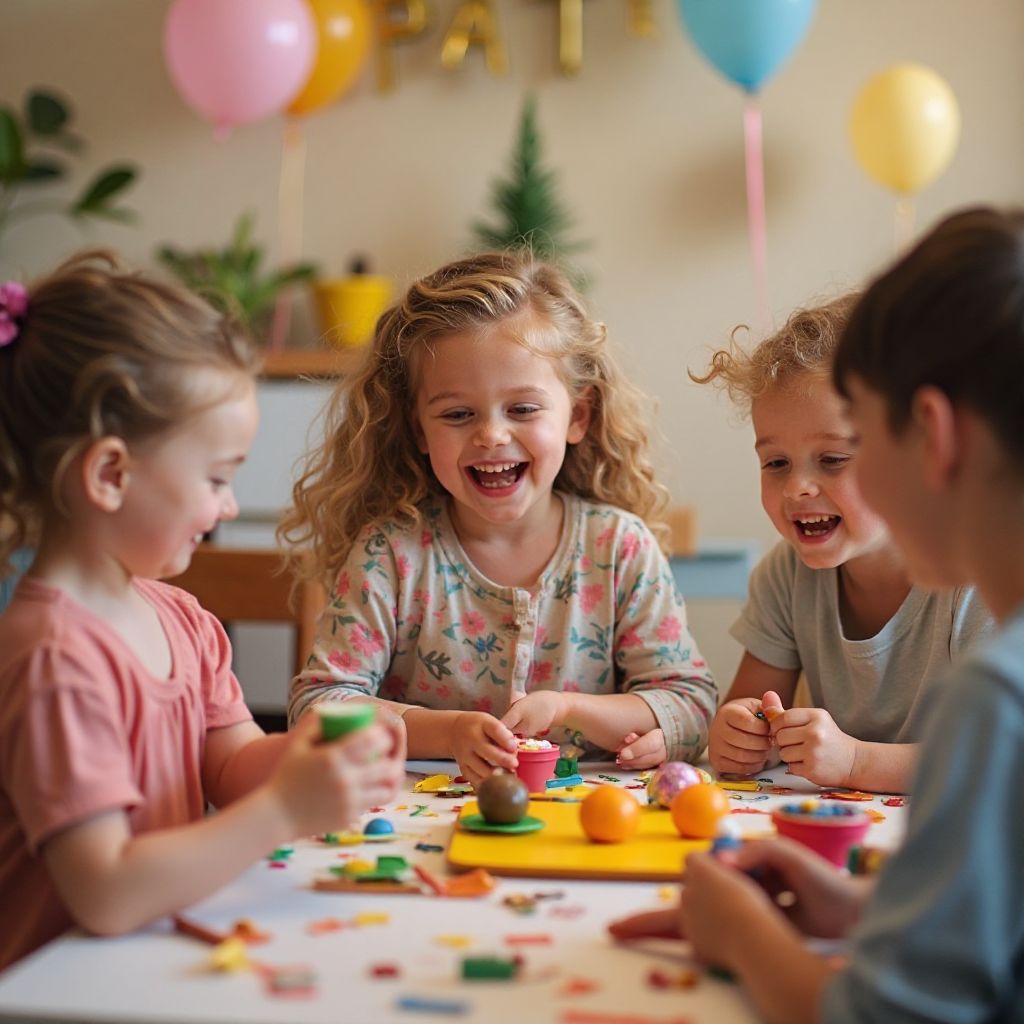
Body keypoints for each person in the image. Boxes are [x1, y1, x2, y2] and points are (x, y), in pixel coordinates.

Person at [611, 205, 1024, 1022]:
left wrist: (736, 931)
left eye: (854, 444)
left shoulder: (995, 701)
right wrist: (862, 910)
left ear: (931, 434)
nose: (807, 484)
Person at [0, 253, 405, 973]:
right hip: (60, 989)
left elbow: (236, 764)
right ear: (110, 474)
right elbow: (106, 891)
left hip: (151, 965)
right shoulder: (53, 658)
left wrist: (319, 762)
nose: (225, 506)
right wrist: (285, 813)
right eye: (217, 478)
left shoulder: (182, 619)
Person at [280, 251, 717, 787]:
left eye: (523, 409)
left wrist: (567, 710)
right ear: (419, 431)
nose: (491, 435)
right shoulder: (391, 554)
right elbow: (319, 706)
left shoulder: (620, 548)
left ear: (577, 416)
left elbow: (690, 705)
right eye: (458, 414)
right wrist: (448, 732)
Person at [693, 294, 988, 793]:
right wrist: (740, 736)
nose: (796, 488)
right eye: (776, 463)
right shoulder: (785, 576)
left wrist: (855, 762)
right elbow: (747, 711)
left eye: (832, 459)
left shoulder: (978, 579)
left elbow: (997, 758)